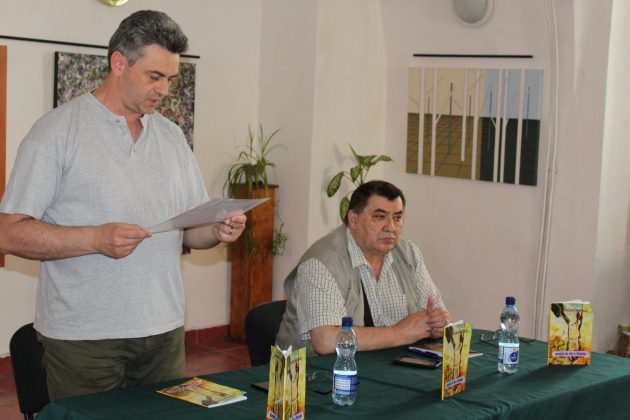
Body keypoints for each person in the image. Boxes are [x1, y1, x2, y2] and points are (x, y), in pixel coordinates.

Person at [0, 10, 246, 400]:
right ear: (119, 63)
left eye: (171, 79)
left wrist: (216, 230)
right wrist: (95, 239)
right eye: (154, 76)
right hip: (84, 339)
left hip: (163, 332)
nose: (164, 90)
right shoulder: (55, 133)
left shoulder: (172, 137)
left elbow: (190, 232)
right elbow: (9, 233)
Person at [276, 180, 450, 356]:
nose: (391, 227)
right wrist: (399, 332)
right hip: (316, 370)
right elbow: (325, 341)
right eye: (379, 217)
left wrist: (437, 323)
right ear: (354, 219)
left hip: (382, 364)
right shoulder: (321, 262)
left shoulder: (408, 254)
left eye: (397, 218)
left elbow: (440, 315)